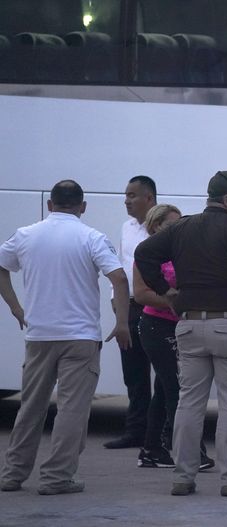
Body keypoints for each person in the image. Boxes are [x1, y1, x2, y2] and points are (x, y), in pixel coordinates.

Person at [135, 170, 227, 497]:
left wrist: (167, 292)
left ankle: (183, 477)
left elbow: (143, 254)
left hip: (190, 324)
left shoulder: (182, 227)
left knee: (188, 403)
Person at [0, 180, 130, 495]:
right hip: (81, 336)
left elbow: (2, 267)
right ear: (82, 206)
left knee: (31, 406)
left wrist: (17, 308)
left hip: (39, 334)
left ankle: (12, 475)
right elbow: (119, 277)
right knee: (73, 409)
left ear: (50, 204)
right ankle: (56, 477)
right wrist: (122, 322)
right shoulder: (92, 238)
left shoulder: (25, 235)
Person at [133, 204, 215, 472]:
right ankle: (191, 451)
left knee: (163, 389)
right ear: (156, 227)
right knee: (176, 388)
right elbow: (141, 294)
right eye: (171, 226)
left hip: (179, 326)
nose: (176, 231)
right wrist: (174, 301)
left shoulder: (182, 252)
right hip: (156, 326)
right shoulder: (148, 255)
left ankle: (151, 449)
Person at [104, 175, 157, 450]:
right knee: (134, 372)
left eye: (132, 195)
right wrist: (117, 301)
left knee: (164, 371)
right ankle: (136, 430)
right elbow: (122, 266)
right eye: (126, 195)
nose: (127, 200)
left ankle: (163, 432)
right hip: (132, 306)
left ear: (149, 198)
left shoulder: (163, 225)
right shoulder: (127, 227)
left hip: (157, 306)